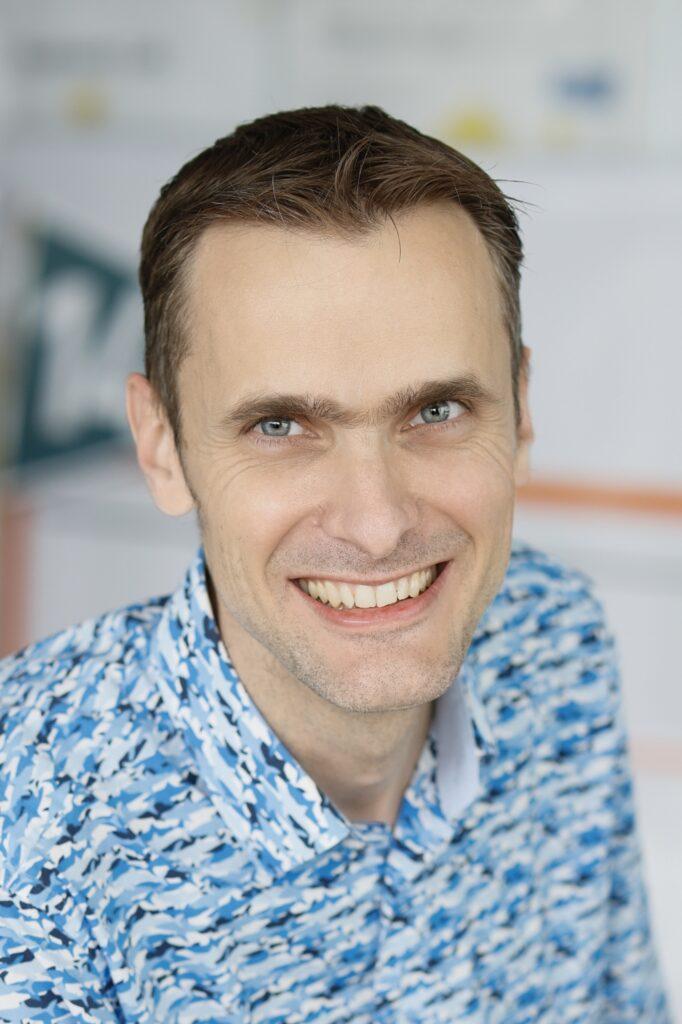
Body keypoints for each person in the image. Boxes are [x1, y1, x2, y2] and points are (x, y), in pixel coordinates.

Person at [0, 104, 671, 1023]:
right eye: (280, 426)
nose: (378, 525)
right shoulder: (23, 818)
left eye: (435, 411)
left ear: (520, 413)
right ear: (161, 447)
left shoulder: (555, 637)